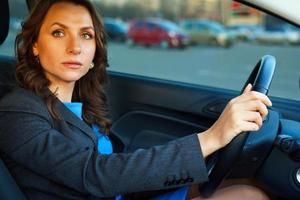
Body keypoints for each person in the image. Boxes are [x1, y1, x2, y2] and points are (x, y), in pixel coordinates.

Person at [0, 0, 272, 199]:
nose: (75, 46)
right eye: (58, 32)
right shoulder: (17, 111)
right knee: (249, 194)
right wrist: (212, 138)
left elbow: (120, 171)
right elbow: (94, 174)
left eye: (86, 35)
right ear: (35, 44)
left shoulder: (83, 108)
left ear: (95, 50)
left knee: (252, 183)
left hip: (126, 194)